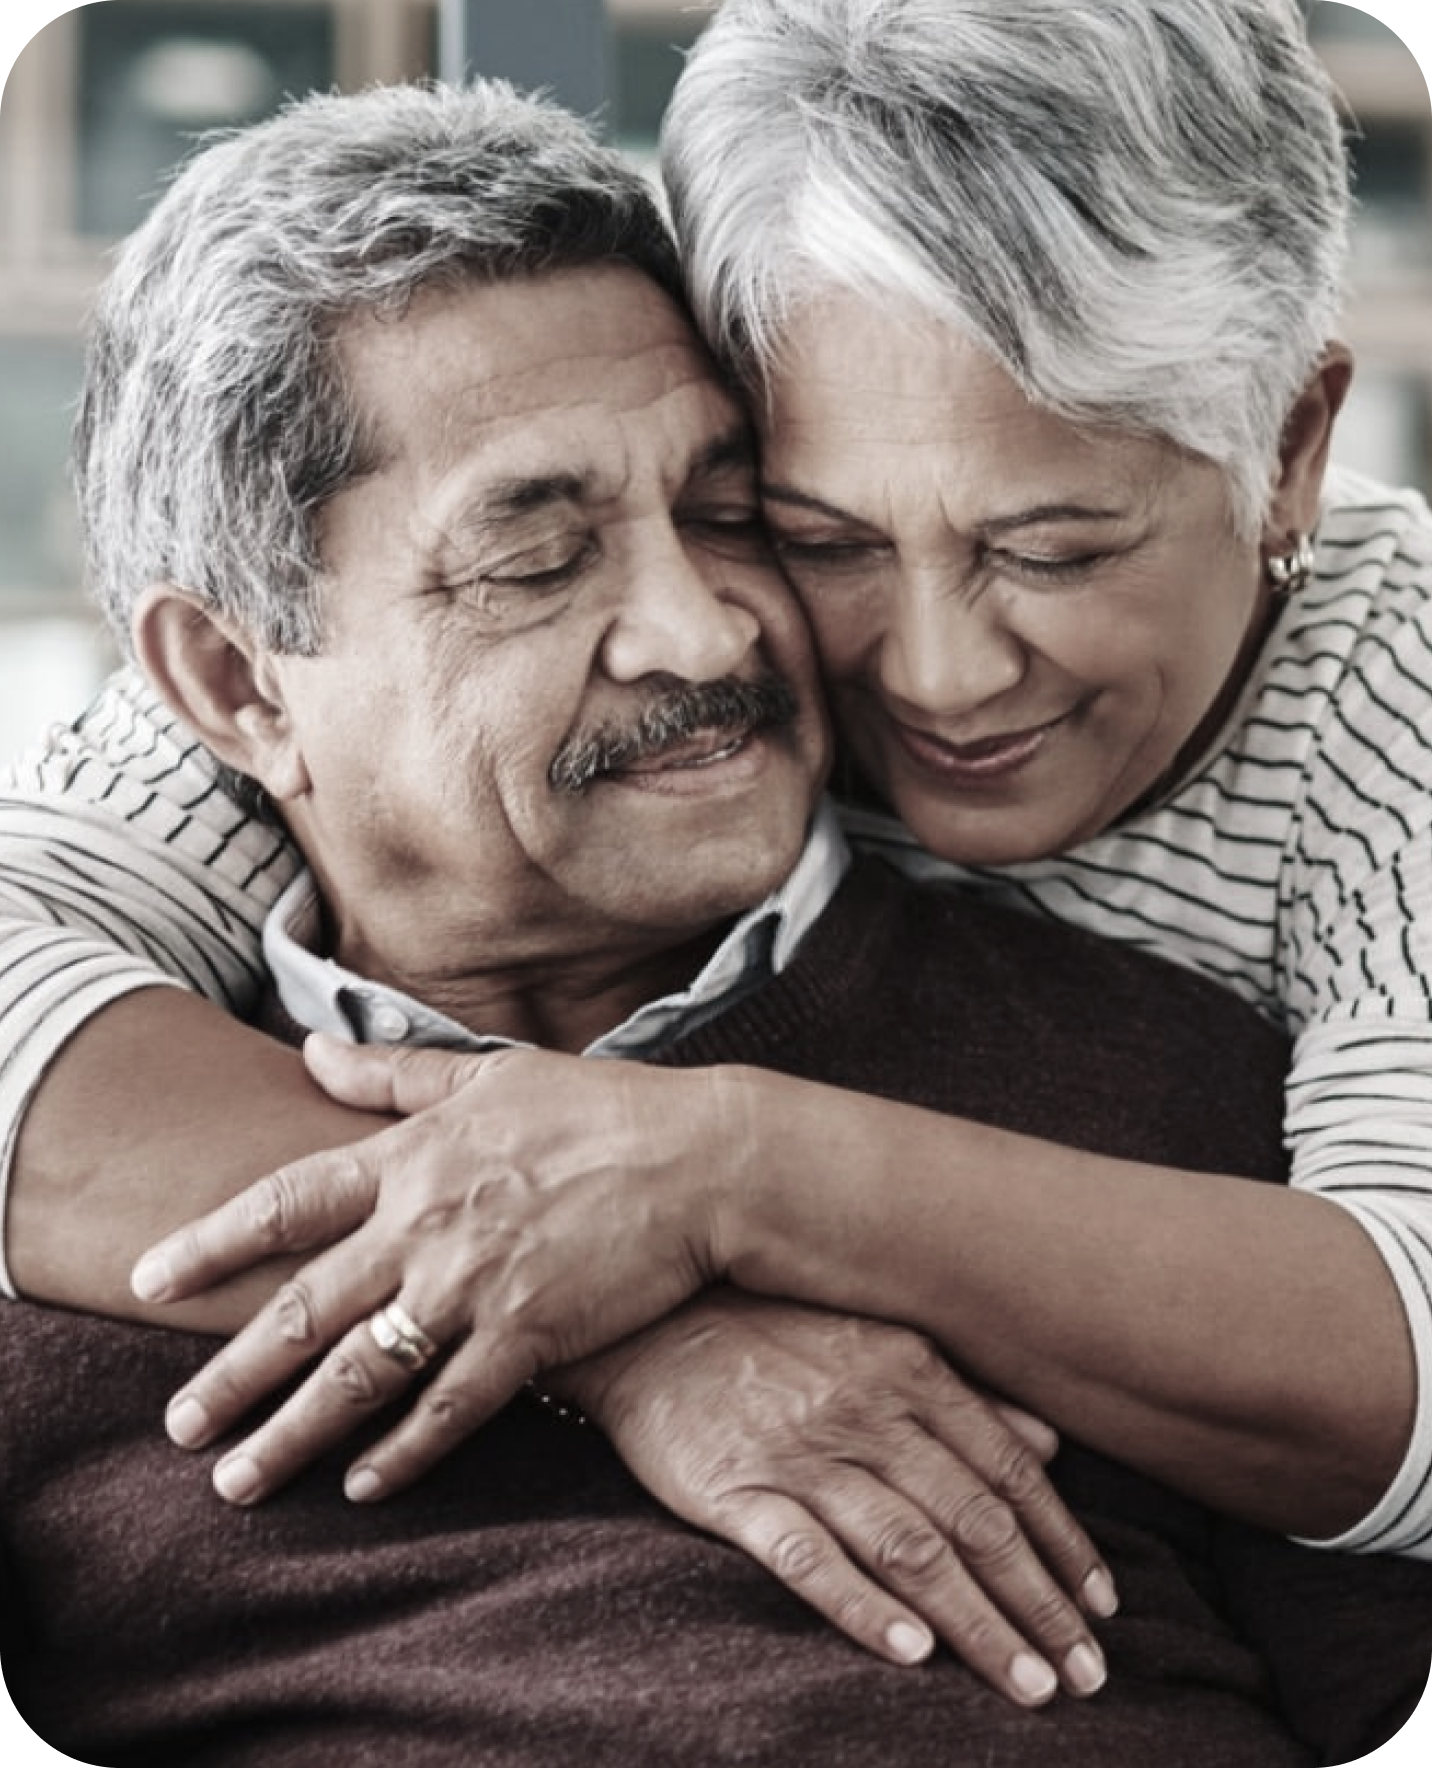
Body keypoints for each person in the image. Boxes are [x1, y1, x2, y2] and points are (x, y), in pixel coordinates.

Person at [0, 0, 1428, 1693]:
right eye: (814, 530)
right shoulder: (283, 761)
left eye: (1051, 546)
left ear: (1290, 455)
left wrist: (721, 1174)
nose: (932, 673)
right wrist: (612, 1311)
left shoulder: (1383, 736)